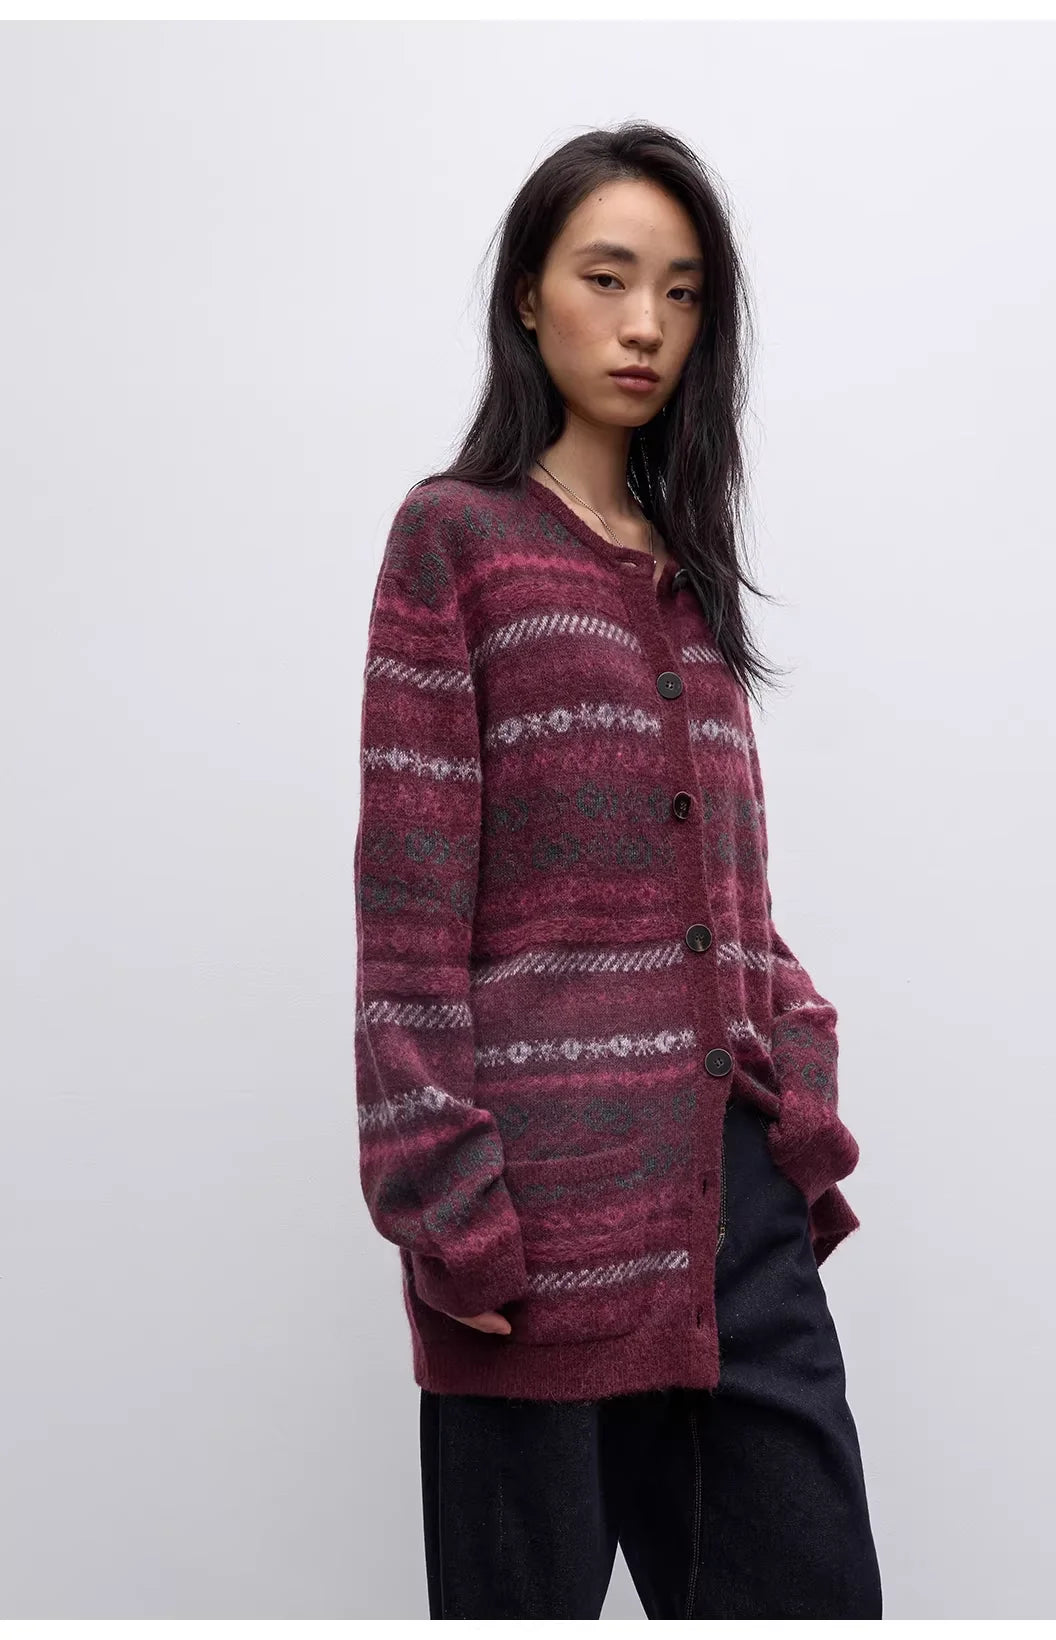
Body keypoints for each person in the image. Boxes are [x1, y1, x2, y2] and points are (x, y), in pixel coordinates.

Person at [353, 119, 883, 1620]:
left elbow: (732, 904)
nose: (648, 323)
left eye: (684, 291)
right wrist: (448, 1210)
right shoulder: (456, 541)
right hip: (528, 1235)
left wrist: (800, 1081)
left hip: (732, 1222)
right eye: (608, 277)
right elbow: (408, 917)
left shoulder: (691, 576)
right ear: (528, 294)